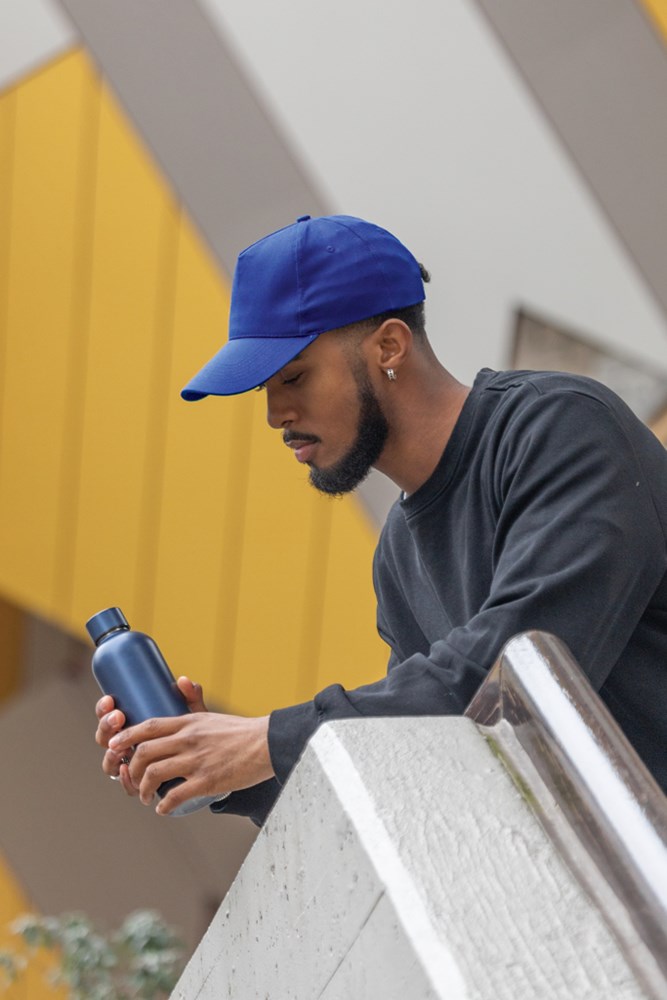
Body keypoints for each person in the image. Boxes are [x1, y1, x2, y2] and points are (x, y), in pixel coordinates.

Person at [96, 214, 667, 825]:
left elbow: (518, 675)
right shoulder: (399, 553)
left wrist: (264, 743)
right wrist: (219, 770)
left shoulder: (560, 429)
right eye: (265, 389)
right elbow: (423, 764)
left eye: (294, 377)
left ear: (389, 347)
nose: (275, 414)